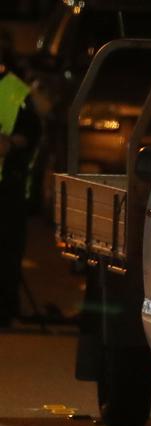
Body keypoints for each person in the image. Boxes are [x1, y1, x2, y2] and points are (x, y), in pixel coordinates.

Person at [0, 38, 42, 327]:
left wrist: (11, 143)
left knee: (7, 251)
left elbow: (32, 135)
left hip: (7, 187)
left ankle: (4, 310)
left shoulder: (16, 91)